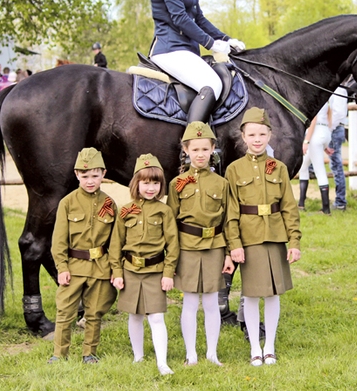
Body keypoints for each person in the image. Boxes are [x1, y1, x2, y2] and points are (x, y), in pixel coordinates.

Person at [225, 107, 301, 366]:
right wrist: (234, 244)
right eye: (252, 134)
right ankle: (254, 347)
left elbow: (289, 207)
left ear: (270, 135)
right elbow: (231, 211)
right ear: (243, 137)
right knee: (251, 294)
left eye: (262, 134)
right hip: (250, 238)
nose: (257, 139)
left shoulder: (279, 168)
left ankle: (269, 345)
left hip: (275, 236)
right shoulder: (234, 170)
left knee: (273, 294)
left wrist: (294, 241)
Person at [166, 122, 234, 367]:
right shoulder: (177, 184)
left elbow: (228, 220)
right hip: (187, 247)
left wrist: (228, 253)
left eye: (205, 149)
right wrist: (171, 258)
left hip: (215, 246)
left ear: (213, 148)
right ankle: (191, 354)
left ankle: (212, 353)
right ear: (186, 150)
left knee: (212, 300)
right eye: (195, 149)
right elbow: (169, 224)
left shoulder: (222, 184)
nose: (200, 154)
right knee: (190, 301)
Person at [109, 154, 179, 376]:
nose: (151, 188)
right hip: (130, 270)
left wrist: (168, 273)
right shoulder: (125, 210)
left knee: (156, 317)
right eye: (145, 182)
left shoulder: (164, 211)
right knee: (134, 315)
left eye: (155, 183)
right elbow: (116, 244)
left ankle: (162, 362)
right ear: (135, 184)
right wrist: (117, 272)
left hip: (155, 271)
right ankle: (138, 357)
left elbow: (173, 245)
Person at [49, 148, 118, 364]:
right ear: (77, 175)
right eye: (85, 176)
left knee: (94, 312)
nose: (90, 181)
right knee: (65, 311)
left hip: (100, 266)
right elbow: (59, 240)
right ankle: (60, 354)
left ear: (103, 174)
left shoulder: (110, 204)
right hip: (74, 265)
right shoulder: (67, 203)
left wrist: (114, 269)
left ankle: (89, 353)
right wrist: (62, 268)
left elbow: (114, 242)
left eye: (95, 176)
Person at [298, 102, 333, 214]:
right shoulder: (325, 101)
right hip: (325, 132)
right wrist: (325, 144)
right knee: (303, 167)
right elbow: (329, 115)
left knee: (319, 171)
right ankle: (301, 203)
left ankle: (326, 209)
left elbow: (313, 121)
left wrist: (306, 141)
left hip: (315, 133)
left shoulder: (314, 101)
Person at [329, 86, 348, 210]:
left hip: (334, 129)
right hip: (333, 128)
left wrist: (328, 128)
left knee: (336, 165)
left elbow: (338, 113)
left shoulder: (339, 90)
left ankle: (340, 201)